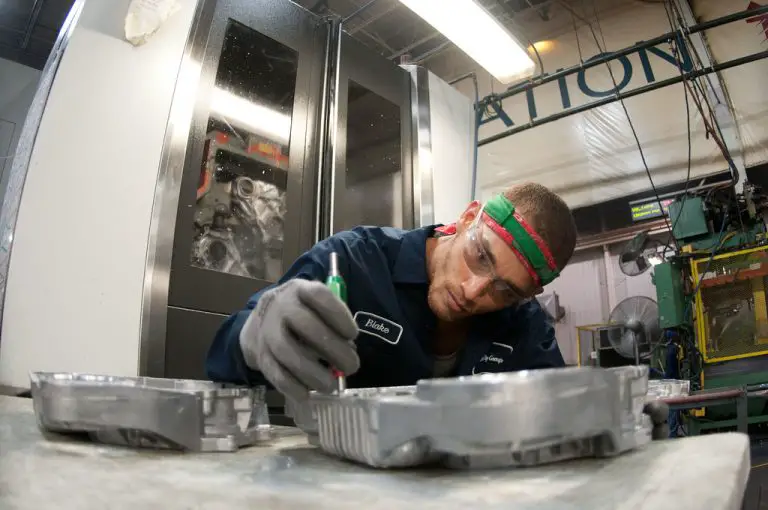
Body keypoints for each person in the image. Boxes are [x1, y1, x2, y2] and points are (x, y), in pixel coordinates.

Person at [206, 182, 580, 401]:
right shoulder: (354, 261)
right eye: (479, 255)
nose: (472, 292)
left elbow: (559, 410)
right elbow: (221, 363)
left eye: (505, 291)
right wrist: (253, 335)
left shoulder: (524, 325)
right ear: (467, 218)